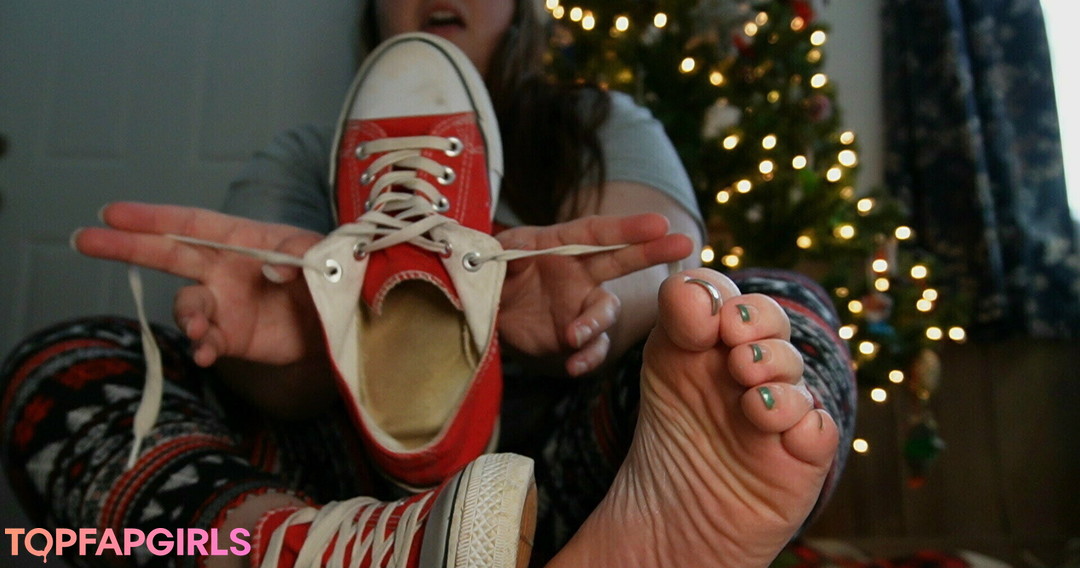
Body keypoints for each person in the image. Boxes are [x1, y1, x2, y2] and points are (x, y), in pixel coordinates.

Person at [0, 0, 856, 566]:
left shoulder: (596, 121)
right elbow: (269, 379)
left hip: (561, 477)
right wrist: (307, 330)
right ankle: (318, 550)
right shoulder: (306, 157)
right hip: (340, 495)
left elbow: (668, 260)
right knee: (60, 370)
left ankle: (607, 535)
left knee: (768, 314)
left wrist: (590, 312)